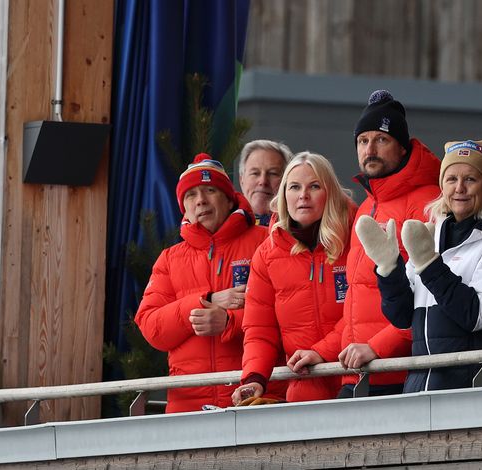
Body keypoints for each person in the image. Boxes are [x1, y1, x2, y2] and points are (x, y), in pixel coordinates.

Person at [298, 89, 442, 397]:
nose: (370, 149)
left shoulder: (429, 202)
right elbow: (356, 303)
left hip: (397, 374)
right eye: (363, 141)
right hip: (356, 371)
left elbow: (432, 300)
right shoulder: (366, 206)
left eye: (381, 139)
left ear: (402, 148)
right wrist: (322, 351)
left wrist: (377, 348)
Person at [357, 138, 482, 392]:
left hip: (477, 392)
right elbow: (403, 317)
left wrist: (429, 264)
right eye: (451, 180)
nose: (459, 188)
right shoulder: (433, 236)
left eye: (471, 179)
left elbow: (476, 315)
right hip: (422, 389)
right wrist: (388, 268)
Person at [135, 153, 273, 412]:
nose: (201, 201)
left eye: (210, 190)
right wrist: (204, 300)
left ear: (229, 198)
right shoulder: (169, 259)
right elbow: (151, 327)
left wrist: (230, 321)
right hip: (188, 406)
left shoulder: (265, 242)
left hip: (255, 395)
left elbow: (289, 311)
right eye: (191, 195)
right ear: (184, 207)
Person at [231, 152, 356, 404]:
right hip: (305, 386)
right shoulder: (267, 254)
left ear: (330, 193)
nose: (303, 196)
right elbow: (259, 329)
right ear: (284, 195)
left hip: (355, 378)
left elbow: (361, 312)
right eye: (294, 187)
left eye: (314, 186)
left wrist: (321, 352)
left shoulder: (355, 237)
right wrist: (254, 377)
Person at [238, 139, 293, 226]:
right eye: (255, 173)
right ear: (241, 180)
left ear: (287, 182)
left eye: (273, 173)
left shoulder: (299, 231)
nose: (263, 181)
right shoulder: (221, 227)